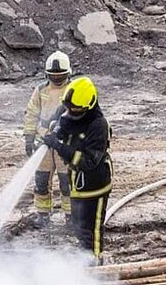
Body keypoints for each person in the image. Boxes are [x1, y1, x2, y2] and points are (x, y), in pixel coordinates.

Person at [43, 76, 112, 261]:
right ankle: (83, 256)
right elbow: (59, 119)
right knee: (79, 226)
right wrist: (56, 130)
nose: (72, 112)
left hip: (95, 184)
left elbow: (88, 161)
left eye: (76, 110)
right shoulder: (71, 107)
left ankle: (95, 263)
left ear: (89, 105)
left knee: (92, 229)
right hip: (77, 182)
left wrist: (59, 146)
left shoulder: (99, 126)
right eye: (69, 109)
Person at [23, 52, 73, 227]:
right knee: (41, 181)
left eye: (60, 76)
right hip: (44, 140)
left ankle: (70, 217)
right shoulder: (41, 90)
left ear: (68, 74)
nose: (57, 79)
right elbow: (32, 113)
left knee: (67, 183)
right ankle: (43, 216)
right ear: (47, 74)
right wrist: (29, 137)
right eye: (53, 76)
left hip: (64, 142)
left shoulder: (73, 90)